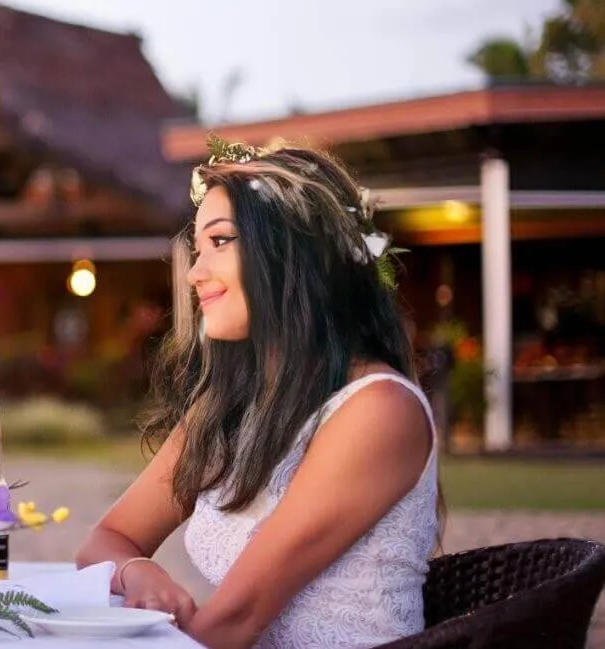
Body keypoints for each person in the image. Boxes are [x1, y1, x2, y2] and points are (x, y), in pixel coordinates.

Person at [72, 139, 438, 649]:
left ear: (293, 252)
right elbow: (103, 543)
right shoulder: (229, 407)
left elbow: (237, 618)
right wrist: (137, 572)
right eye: (197, 250)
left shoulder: (377, 411)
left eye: (220, 242)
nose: (196, 273)